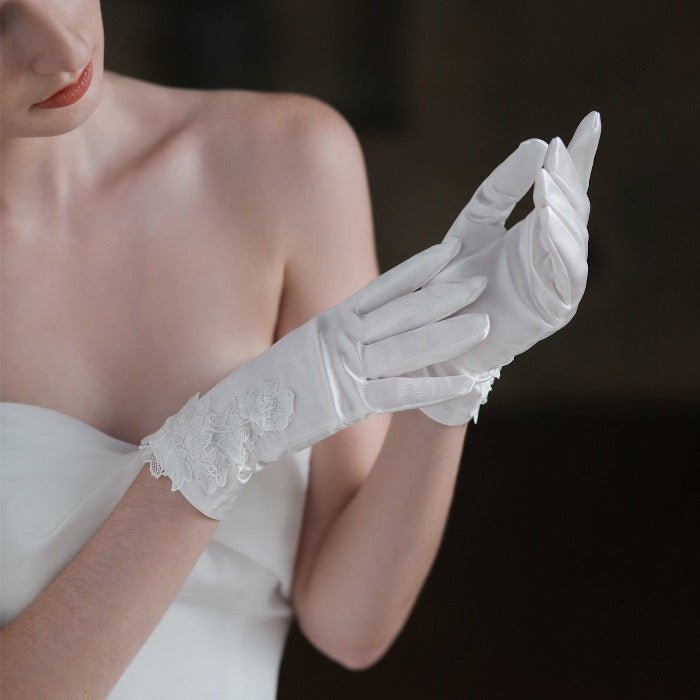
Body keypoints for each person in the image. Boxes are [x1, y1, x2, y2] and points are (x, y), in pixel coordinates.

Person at [0, 1, 600, 698]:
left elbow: (348, 623)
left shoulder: (287, 160)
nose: (63, 44)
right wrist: (219, 447)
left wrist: (454, 362)